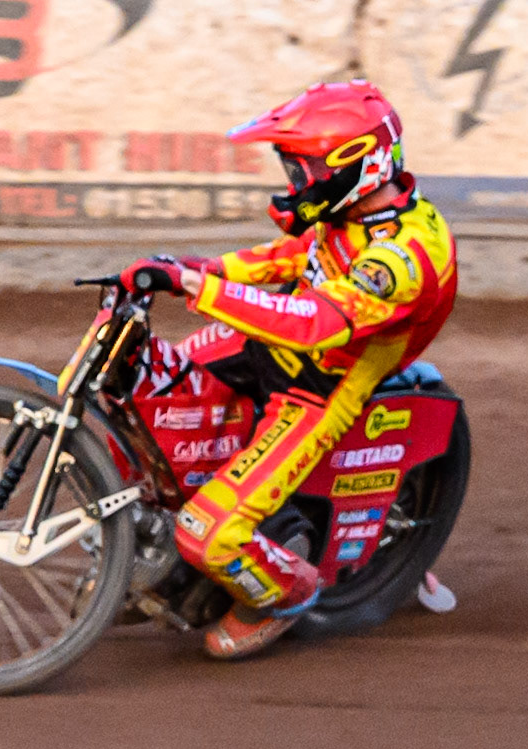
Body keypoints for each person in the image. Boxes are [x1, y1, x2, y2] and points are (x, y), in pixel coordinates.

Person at [121, 79, 458, 659]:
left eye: (305, 169)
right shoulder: (353, 212)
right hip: (265, 345)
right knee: (150, 393)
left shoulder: (406, 256)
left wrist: (199, 286)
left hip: (318, 387)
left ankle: (287, 593)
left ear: (355, 164)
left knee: (209, 535)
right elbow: (294, 257)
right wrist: (199, 267)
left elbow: (314, 324)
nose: (296, 183)